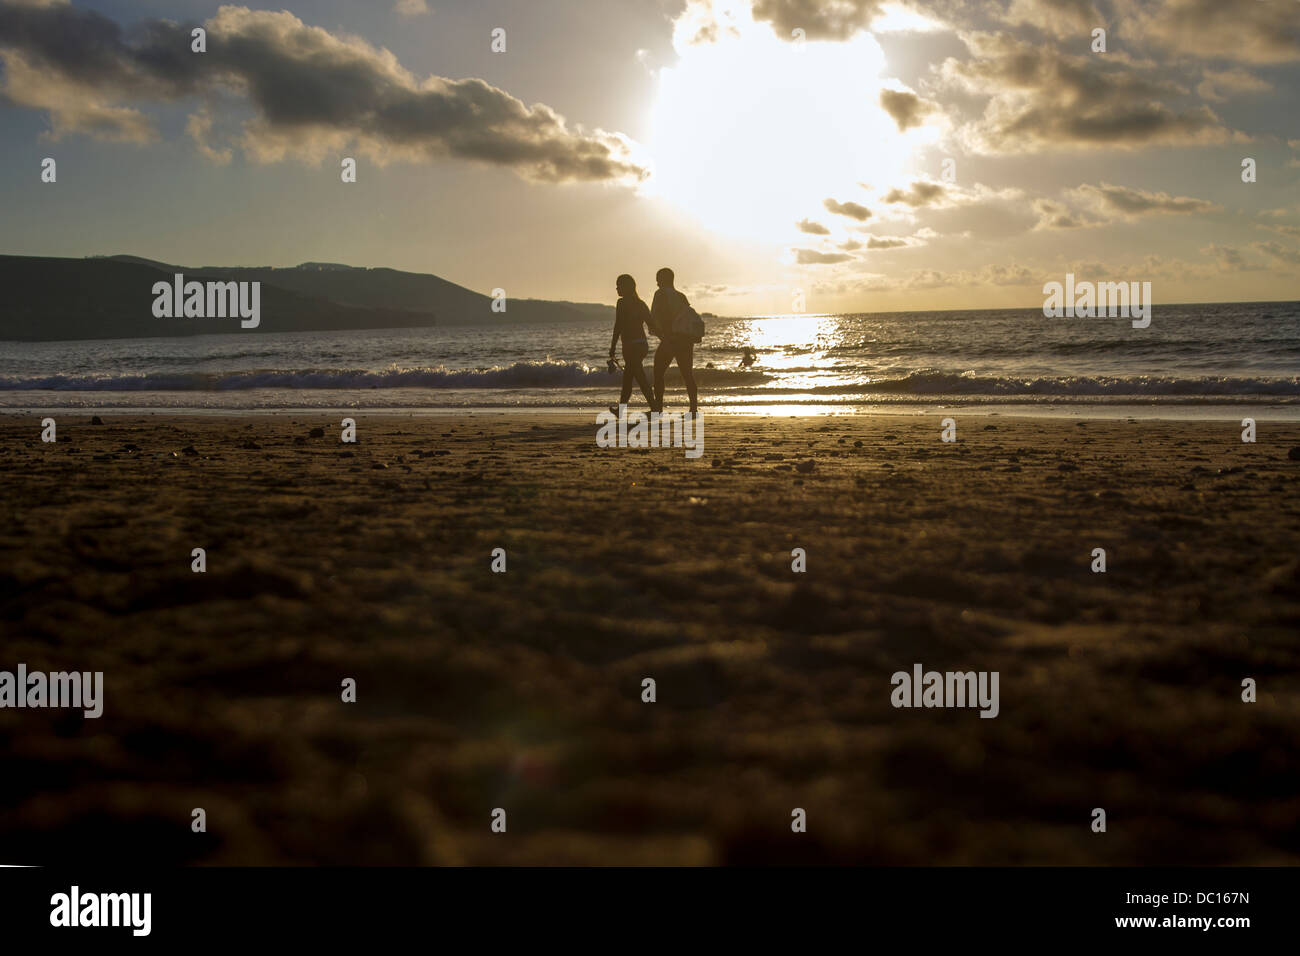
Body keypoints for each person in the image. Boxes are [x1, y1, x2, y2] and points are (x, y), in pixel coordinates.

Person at [649, 267, 699, 415]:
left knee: (658, 372)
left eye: (658, 279)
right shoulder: (681, 296)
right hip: (685, 339)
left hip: (671, 338)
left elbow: (660, 316)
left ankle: (658, 407)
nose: (657, 283)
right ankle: (693, 408)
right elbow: (688, 317)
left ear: (663, 280)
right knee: (687, 374)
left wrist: (663, 336)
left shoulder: (660, 294)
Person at [608, 274, 658, 413]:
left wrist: (612, 346)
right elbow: (652, 325)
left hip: (630, 346)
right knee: (628, 379)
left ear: (627, 287)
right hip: (642, 345)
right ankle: (621, 410)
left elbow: (618, 326)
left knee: (639, 379)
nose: (617, 288)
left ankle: (655, 409)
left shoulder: (622, 303)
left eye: (619, 285)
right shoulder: (641, 304)